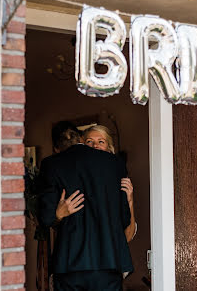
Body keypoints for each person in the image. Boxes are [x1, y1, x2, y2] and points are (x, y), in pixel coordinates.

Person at [38, 122, 133, 291]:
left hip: (69, 264)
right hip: (109, 263)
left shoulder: (51, 164)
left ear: (56, 148)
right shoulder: (115, 163)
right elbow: (124, 219)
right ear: (81, 139)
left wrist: (58, 214)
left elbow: (45, 218)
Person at [83, 125, 137, 242]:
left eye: (101, 141)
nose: (95, 146)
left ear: (109, 149)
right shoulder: (76, 179)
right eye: (89, 142)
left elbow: (127, 236)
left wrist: (130, 200)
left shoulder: (119, 181)